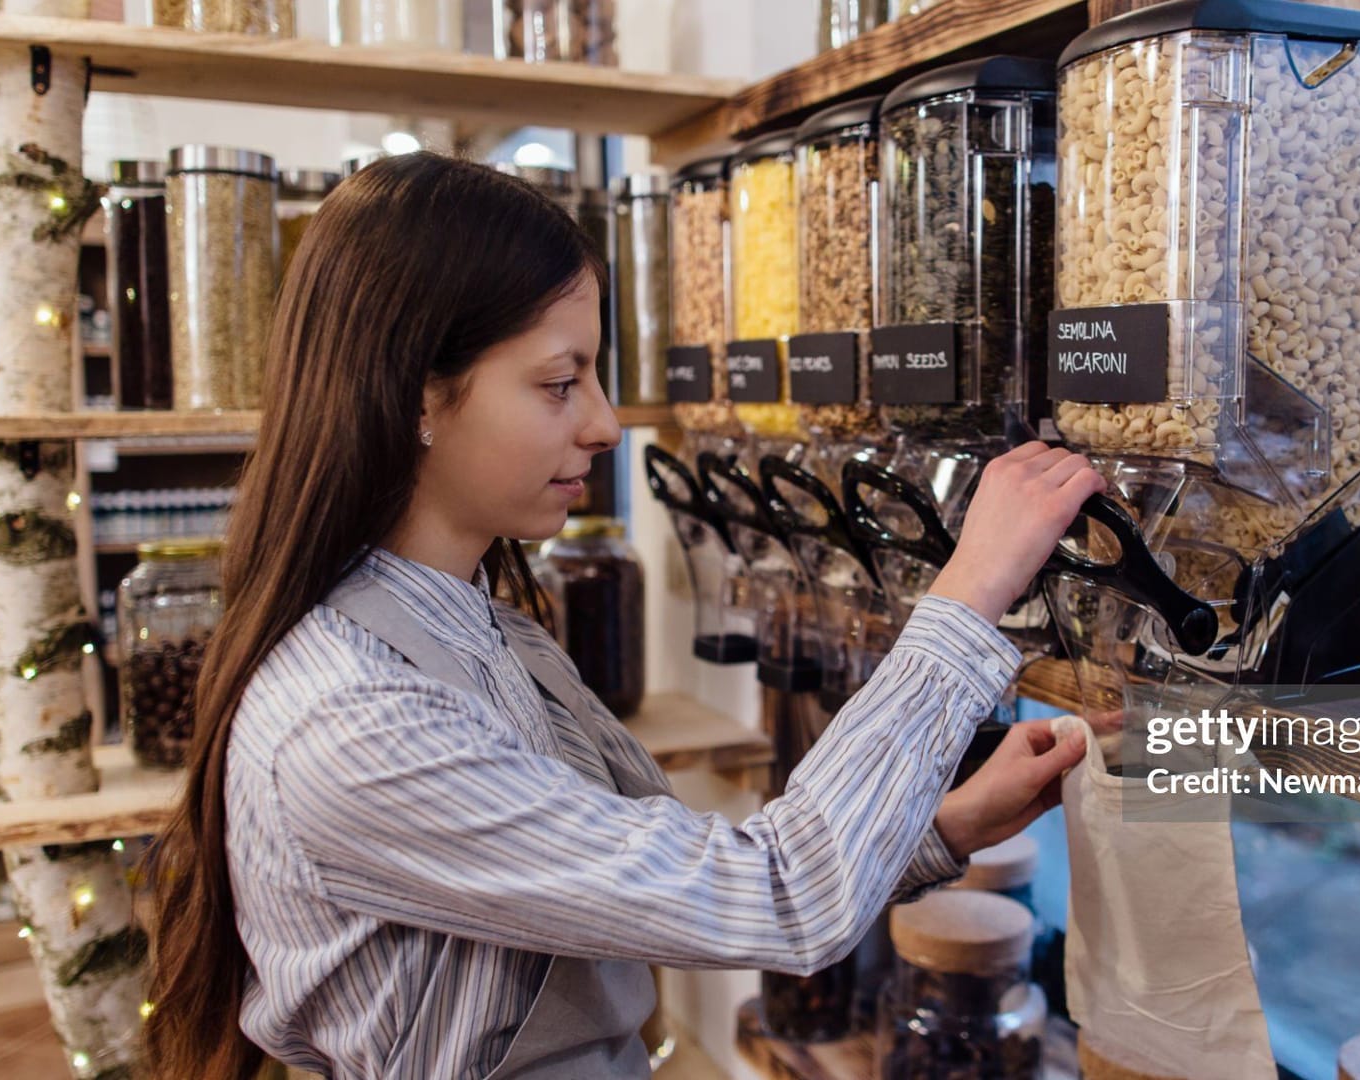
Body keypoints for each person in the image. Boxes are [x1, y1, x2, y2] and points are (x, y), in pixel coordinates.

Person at [145, 152, 1103, 1079]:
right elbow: (780, 896)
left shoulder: (480, 624)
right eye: (561, 383)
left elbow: (678, 876)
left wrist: (940, 828)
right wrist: (973, 585)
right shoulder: (353, 718)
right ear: (415, 396)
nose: (604, 424)